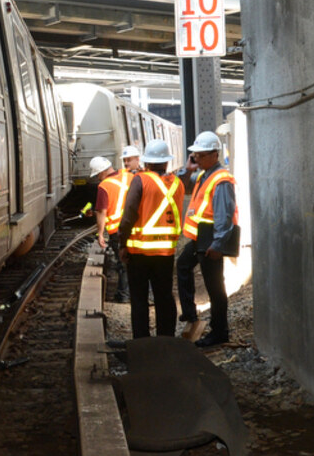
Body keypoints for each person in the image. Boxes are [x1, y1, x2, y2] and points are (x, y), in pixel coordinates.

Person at [117, 139, 185, 339]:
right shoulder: (178, 184)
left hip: (139, 252)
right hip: (165, 252)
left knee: (139, 299)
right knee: (164, 296)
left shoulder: (140, 181)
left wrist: (122, 244)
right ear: (167, 162)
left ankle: (142, 341)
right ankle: (166, 339)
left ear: (146, 161)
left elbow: (128, 215)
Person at [176, 131, 238, 348]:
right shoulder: (204, 175)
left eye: (201, 155)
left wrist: (218, 244)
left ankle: (220, 332)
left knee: (215, 287)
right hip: (201, 238)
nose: (197, 159)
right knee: (183, 265)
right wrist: (188, 169)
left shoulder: (221, 180)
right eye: (196, 155)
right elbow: (183, 186)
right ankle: (190, 313)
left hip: (211, 240)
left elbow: (224, 215)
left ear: (214, 154)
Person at [99, 144, 141, 302]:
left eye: (129, 160)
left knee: (125, 263)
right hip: (130, 226)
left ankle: (125, 294)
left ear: (138, 159)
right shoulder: (130, 176)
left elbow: (102, 211)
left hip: (125, 228)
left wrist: (100, 233)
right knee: (132, 262)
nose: (126, 163)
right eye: (125, 161)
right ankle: (131, 293)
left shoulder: (138, 177)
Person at [85, 155, 117, 247]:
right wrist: (94, 213)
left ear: (102, 172)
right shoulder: (126, 177)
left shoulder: (104, 186)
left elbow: (102, 212)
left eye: (97, 175)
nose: (98, 178)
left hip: (117, 230)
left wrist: (100, 234)